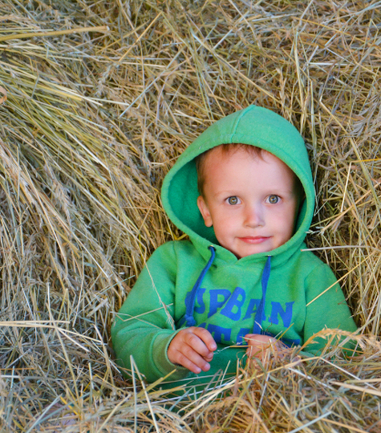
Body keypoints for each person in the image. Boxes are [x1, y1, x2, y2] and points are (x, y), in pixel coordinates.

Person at [111, 105, 356, 390]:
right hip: (177, 410)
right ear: (206, 210)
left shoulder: (311, 276)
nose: (254, 219)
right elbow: (128, 334)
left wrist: (290, 363)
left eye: (273, 199)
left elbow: (345, 359)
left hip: (271, 411)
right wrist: (165, 349)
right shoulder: (174, 262)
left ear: (298, 204)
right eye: (232, 200)